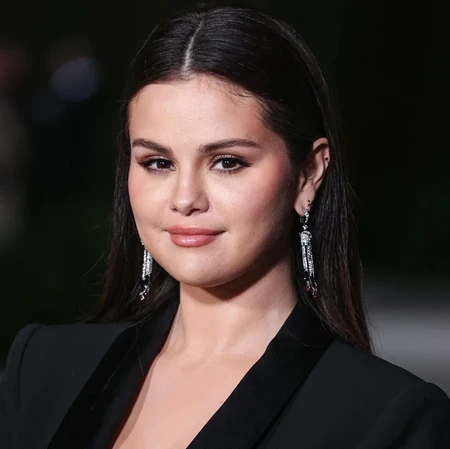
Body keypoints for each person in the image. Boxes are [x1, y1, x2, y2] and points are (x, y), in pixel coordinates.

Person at [1, 3, 449, 448]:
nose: (184, 199)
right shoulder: (41, 369)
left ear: (309, 173)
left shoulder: (388, 419)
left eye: (227, 162)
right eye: (157, 162)